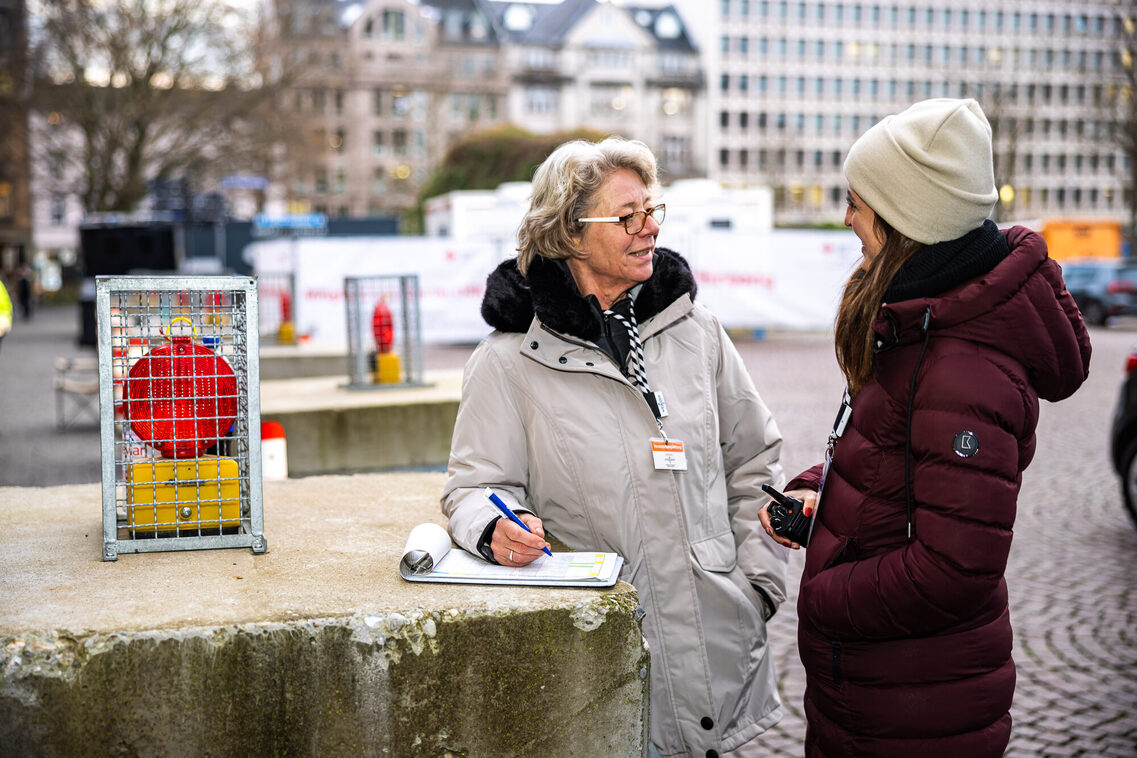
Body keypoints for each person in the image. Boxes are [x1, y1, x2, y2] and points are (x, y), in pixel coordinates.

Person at [760, 98, 1092, 757]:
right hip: (881, 691)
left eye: (858, 201)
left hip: (916, 708)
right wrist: (818, 494)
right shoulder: (917, 322)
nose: (846, 216)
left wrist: (825, 595)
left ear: (906, 217)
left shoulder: (962, 368)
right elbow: (885, 457)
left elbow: (952, 569)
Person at [442, 137, 789, 757]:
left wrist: (755, 587)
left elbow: (754, 462)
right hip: (592, 656)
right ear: (568, 233)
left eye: (653, 210)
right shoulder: (505, 362)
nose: (648, 227)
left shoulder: (698, 333)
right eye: (626, 216)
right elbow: (474, 489)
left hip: (712, 646)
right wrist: (496, 528)